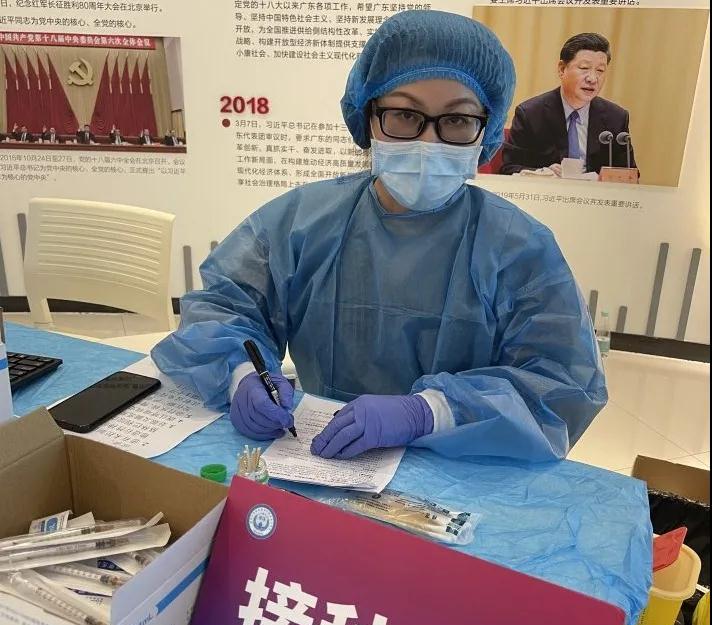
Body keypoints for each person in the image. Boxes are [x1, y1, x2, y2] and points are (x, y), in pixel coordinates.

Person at [152, 10, 606, 463]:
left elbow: (561, 385)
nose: (429, 141)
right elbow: (225, 308)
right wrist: (241, 375)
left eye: (457, 120)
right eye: (404, 114)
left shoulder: (519, 248)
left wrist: (429, 412)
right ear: (367, 115)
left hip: (461, 465)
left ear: (485, 131)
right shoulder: (301, 222)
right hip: (319, 451)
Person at [500, 33, 637, 177]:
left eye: (600, 70)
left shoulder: (616, 118)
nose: (592, 78)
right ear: (562, 69)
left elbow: (630, 176)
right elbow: (509, 168)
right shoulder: (531, 114)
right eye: (584, 68)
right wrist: (542, 173)